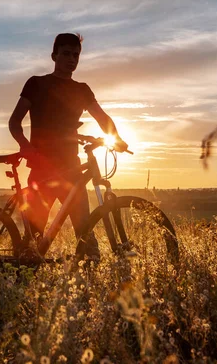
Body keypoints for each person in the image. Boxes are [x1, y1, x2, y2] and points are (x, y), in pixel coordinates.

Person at [8, 33, 127, 259]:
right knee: (32, 244)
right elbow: (14, 123)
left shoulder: (82, 89)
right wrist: (25, 147)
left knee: (86, 234)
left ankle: (90, 282)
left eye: (76, 55)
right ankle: (17, 284)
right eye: (66, 54)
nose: (71, 59)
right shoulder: (36, 83)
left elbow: (101, 117)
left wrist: (116, 137)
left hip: (72, 170)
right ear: (54, 55)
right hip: (42, 169)